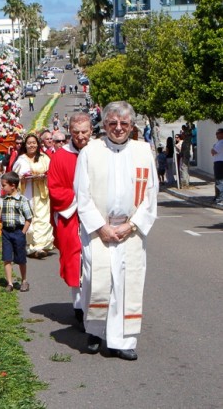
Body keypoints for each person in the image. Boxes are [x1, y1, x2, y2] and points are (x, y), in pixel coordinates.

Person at [74, 101, 158, 361]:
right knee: (96, 281)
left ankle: (123, 340)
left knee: (126, 284)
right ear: (105, 124)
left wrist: (131, 225)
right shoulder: (90, 152)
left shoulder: (144, 151)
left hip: (130, 230)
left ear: (131, 126)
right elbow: (82, 194)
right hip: (99, 229)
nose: (118, 128)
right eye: (112, 123)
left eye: (124, 123)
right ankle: (96, 332)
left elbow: (151, 194)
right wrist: (101, 227)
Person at [47, 112, 92, 325]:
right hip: (71, 216)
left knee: (95, 261)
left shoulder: (98, 152)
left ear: (91, 131)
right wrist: (80, 197)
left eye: (84, 132)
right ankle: (79, 307)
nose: (81, 136)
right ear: (70, 132)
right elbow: (55, 189)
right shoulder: (59, 157)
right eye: (76, 132)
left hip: (97, 217)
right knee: (75, 261)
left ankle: (96, 304)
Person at [12, 133, 54, 257]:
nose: (32, 145)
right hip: (27, 192)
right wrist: (22, 178)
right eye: (29, 143)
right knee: (29, 218)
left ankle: (41, 246)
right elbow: (15, 177)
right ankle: (31, 246)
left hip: (42, 192)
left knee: (43, 218)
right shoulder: (21, 159)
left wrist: (44, 175)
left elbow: (52, 171)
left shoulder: (44, 157)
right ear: (25, 145)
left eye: (34, 143)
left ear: (38, 144)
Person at [0, 171, 33, 292]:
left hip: (18, 231)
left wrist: (23, 232)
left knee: (20, 258)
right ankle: (9, 283)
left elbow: (29, 217)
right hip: (6, 232)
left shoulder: (22, 200)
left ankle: (24, 280)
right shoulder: (3, 199)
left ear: (13, 186)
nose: (3, 188)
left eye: (4, 185)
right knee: (6, 258)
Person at [211, 128, 223, 205]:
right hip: (217, 162)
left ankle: (220, 198)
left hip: (220, 162)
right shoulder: (218, 142)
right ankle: (217, 196)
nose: (217, 135)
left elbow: (214, 151)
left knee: (219, 180)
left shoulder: (221, 143)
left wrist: (213, 149)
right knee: (218, 180)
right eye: (216, 133)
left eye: (218, 133)